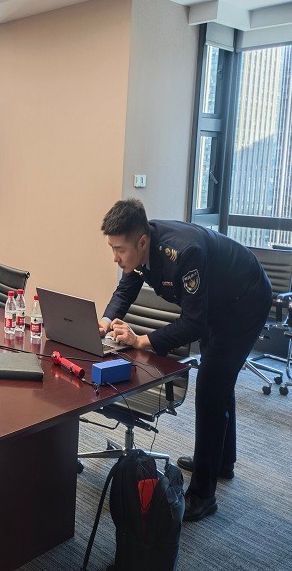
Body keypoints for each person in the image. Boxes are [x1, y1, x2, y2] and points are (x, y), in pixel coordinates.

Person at [98, 199, 271, 522]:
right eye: (112, 248)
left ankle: (203, 495)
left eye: (119, 249)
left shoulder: (183, 253)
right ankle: (222, 462)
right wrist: (105, 322)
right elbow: (126, 290)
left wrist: (143, 340)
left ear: (142, 241)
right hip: (217, 301)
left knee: (210, 388)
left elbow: (193, 325)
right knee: (219, 381)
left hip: (245, 301)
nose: (115, 257)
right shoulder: (141, 250)